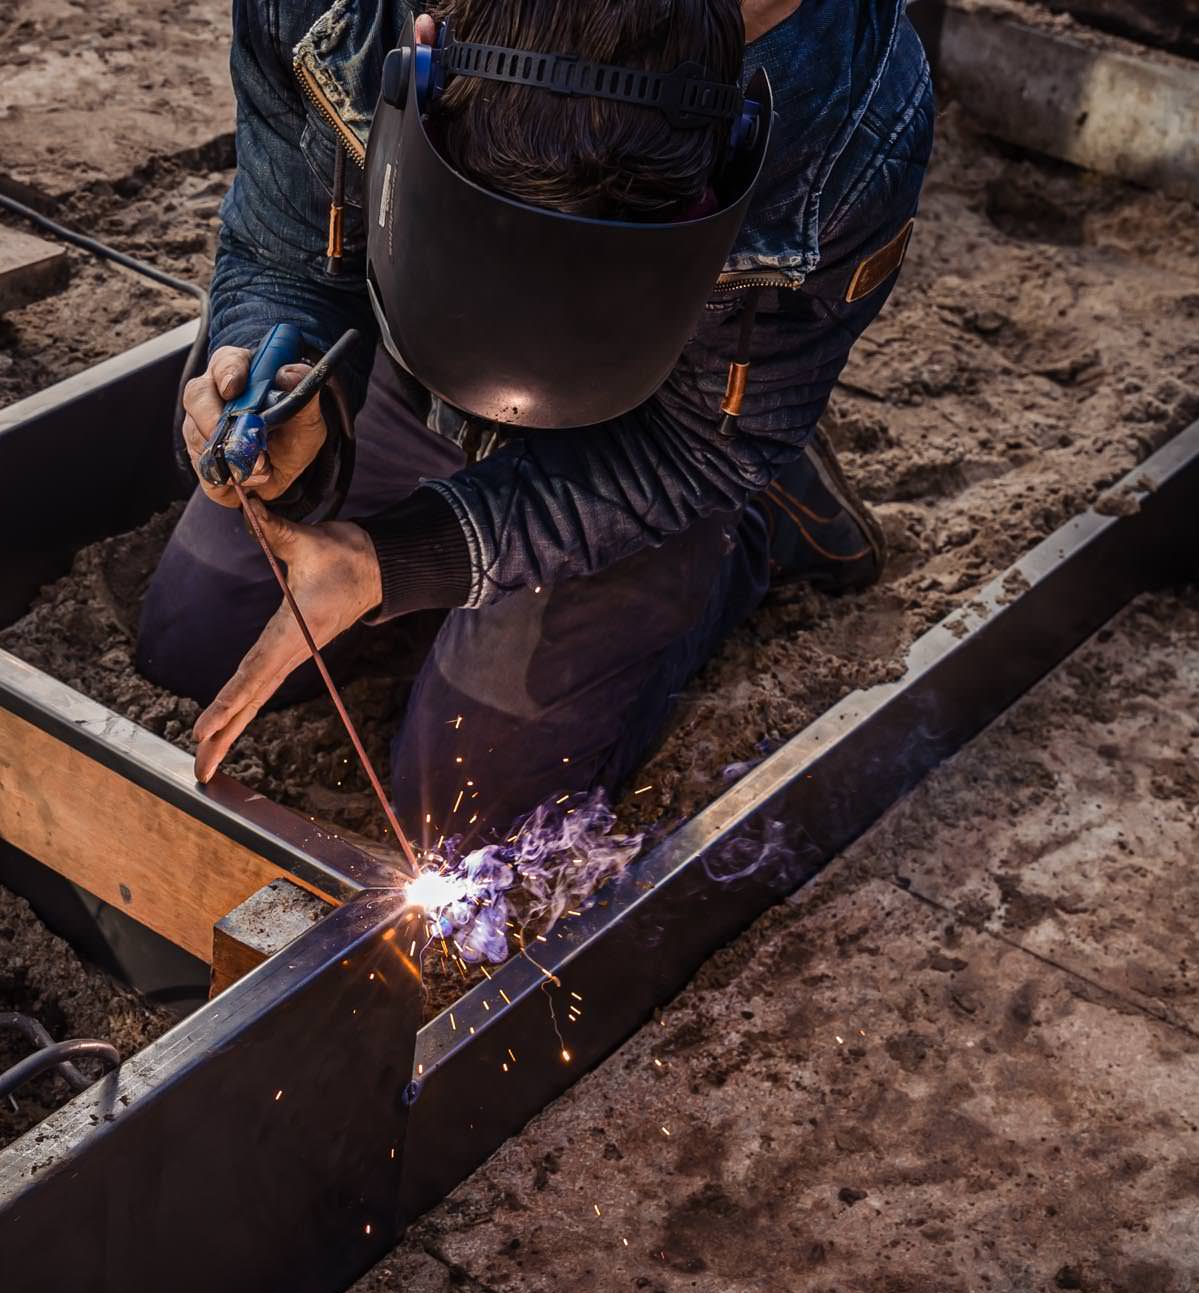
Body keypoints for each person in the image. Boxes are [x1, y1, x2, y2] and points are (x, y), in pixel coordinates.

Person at [135, 0, 934, 844]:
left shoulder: (849, 114)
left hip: (640, 425)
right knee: (190, 648)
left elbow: (701, 444)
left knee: (462, 820)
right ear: (427, 46)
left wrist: (405, 557)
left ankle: (761, 522)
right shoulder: (340, 13)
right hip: (410, 362)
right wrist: (284, 368)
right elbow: (283, 243)